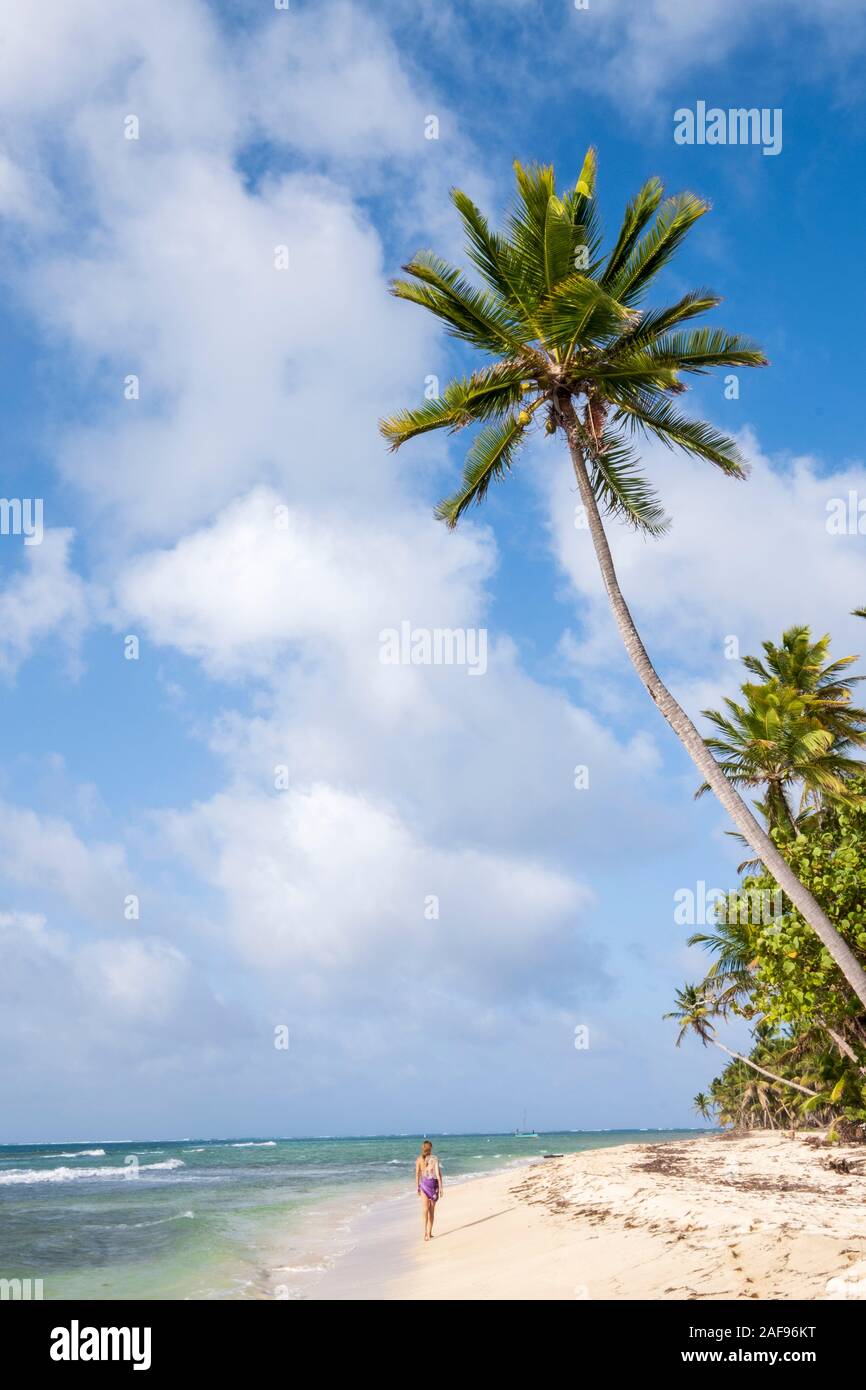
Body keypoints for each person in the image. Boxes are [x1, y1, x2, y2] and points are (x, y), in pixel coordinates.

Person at [415, 1139, 444, 1241]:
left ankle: (425, 1233)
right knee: (431, 1211)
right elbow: (439, 1174)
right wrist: (441, 1188)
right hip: (433, 1186)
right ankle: (429, 1233)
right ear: (430, 1148)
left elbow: (417, 1174)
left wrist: (417, 1187)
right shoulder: (434, 1159)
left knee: (425, 1210)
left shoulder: (419, 1159)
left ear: (423, 1148)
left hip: (424, 1186)